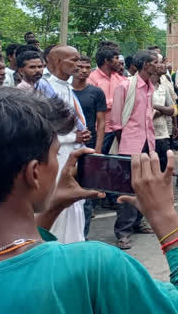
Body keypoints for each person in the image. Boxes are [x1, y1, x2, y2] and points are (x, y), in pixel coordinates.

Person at [0, 88, 178, 313]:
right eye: (57, 154)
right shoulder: (93, 267)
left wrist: (51, 208)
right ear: (34, 173)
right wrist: (167, 220)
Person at [38, 45, 91, 243]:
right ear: (59, 62)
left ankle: (75, 244)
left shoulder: (67, 87)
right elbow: (42, 130)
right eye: (74, 60)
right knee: (61, 201)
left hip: (74, 152)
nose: (78, 65)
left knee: (76, 203)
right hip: (58, 155)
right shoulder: (45, 88)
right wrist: (72, 138)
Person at [110, 50, 160, 250]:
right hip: (130, 144)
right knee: (128, 189)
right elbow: (116, 122)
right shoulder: (125, 86)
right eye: (156, 62)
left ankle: (138, 222)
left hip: (148, 142)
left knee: (144, 186)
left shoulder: (149, 87)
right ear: (146, 65)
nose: (159, 65)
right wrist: (126, 145)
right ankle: (123, 232)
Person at [71, 55, 107, 238]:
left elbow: (101, 123)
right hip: (68, 148)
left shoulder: (96, 92)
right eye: (79, 67)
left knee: (86, 196)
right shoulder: (65, 91)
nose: (83, 70)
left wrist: (98, 150)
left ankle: (82, 237)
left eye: (87, 67)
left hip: (90, 148)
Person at [88, 46, 127, 154]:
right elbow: (92, 104)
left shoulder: (120, 79)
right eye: (115, 58)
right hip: (100, 130)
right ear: (106, 60)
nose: (119, 61)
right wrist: (115, 103)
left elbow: (127, 100)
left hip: (118, 130)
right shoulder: (92, 78)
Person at [150, 53, 176, 173]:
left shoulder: (162, 88)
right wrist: (163, 110)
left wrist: (155, 107)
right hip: (147, 136)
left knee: (163, 168)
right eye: (159, 62)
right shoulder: (141, 87)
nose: (163, 65)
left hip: (162, 134)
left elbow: (172, 110)